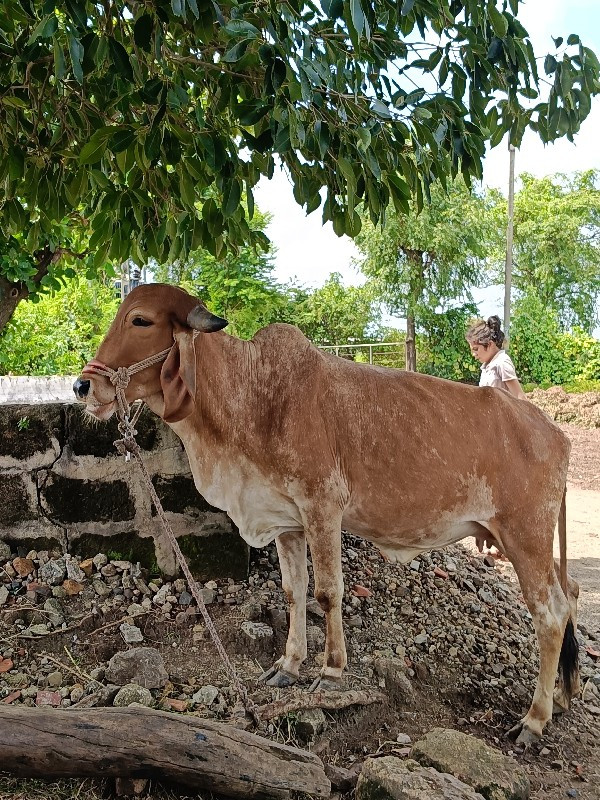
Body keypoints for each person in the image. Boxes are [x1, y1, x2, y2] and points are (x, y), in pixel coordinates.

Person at [466, 315, 526, 400]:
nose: (473, 354)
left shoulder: (502, 363)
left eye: (476, 349)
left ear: (490, 344)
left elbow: (520, 397)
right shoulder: (486, 366)